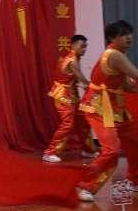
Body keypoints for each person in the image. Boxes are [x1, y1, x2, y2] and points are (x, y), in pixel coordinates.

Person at [76, 20, 138, 201]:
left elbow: (126, 85)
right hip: (99, 107)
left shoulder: (117, 55)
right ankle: (84, 186)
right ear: (112, 38)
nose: (129, 37)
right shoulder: (115, 55)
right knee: (111, 149)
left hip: (116, 107)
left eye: (130, 33)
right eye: (123, 34)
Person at [42, 35, 98, 163]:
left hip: (72, 94)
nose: (84, 49)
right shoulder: (72, 60)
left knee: (83, 120)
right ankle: (49, 152)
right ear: (73, 45)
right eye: (82, 46)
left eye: (86, 47)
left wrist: (84, 86)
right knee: (68, 123)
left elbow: (73, 79)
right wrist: (92, 87)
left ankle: (88, 150)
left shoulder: (74, 58)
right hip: (63, 95)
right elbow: (81, 77)